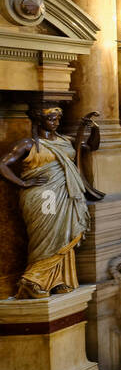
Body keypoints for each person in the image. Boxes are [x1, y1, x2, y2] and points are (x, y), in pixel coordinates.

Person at [0, 106, 103, 298]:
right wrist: (23, 183)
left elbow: (91, 147)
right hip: (43, 196)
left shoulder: (66, 141)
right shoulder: (28, 144)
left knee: (63, 234)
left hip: (64, 194)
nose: (56, 123)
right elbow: (2, 165)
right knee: (46, 237)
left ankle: (58, 280)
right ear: (40, 121)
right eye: (52, 119)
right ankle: (33, 280)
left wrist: (94, 129)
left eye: (58, 119)